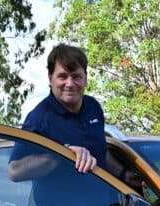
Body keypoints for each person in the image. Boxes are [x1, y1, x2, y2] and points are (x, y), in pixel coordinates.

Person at [8, 44, 106, 181]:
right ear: (50, 78)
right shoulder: (39, 117)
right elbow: (14, 171)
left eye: (76, 76)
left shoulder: (93, 107)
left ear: (85, 78)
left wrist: (125, 174)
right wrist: (61, 154)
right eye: (63, 76)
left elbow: (102, 154)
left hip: (107, 202)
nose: (70, 84)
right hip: (59, 202)